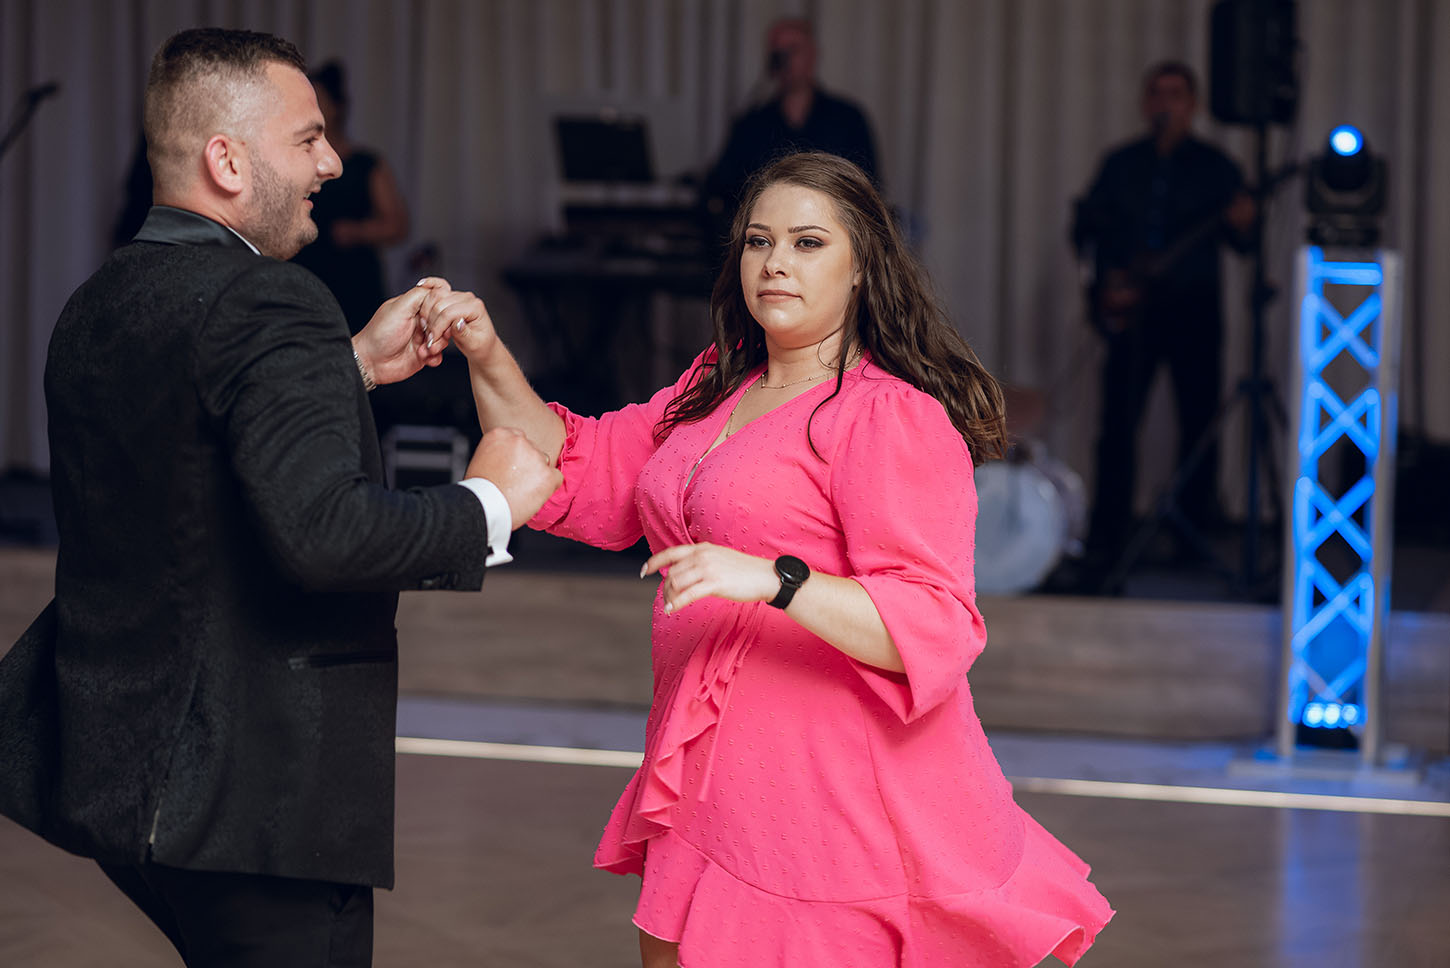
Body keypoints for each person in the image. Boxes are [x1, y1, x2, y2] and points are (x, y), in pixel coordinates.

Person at [437, 151, 1113, 967]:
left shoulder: (889, 416)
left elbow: (934, 620)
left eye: (807, 242)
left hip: (825, 795)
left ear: (862, 267)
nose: (775, 263)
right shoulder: (714, 385)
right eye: (758, 242)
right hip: (709, 770)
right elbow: (564, 463)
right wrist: (485, 353)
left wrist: (776, 579)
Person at [0, 27, 559, 968]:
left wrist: (346, 367)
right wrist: (487, 504)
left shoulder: (100, 300)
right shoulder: (273, 299)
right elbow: (326, 535)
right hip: (251, 794)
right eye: (307, 139)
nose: (332, 163)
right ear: (227, 161)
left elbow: (194, 455)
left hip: (125, 782)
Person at [1072, 61, 1255, 571]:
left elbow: (1245, 243)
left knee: (1198, 422)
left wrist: (1245, 223)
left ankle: (1191, 537)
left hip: (1194, 310)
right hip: (1134, 315)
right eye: (1157, 93)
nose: (1165, 104)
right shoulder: (1121, 164)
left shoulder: (1217, 167)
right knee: (1117, 424)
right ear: (1145, 103)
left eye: (1176, 94)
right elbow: (1087, 230)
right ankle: (1108, 535)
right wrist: (1105, 285)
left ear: (1192, 105)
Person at [700, 18, 878, 243]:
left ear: (812, 55)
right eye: (777, 52)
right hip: (766, 237)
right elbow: (722, 188)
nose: (784, 59)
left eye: (792, 50)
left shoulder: (848, 119)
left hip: (831, 239)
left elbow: (867, 188)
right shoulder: (751, 124)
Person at [291, 60, 410, 335]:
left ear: (338, 107)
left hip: (353, 281)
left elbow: (397, 225)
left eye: (319, 101)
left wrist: (356, 232)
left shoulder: (366, 164)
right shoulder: (293, 160)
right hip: (304, 275)